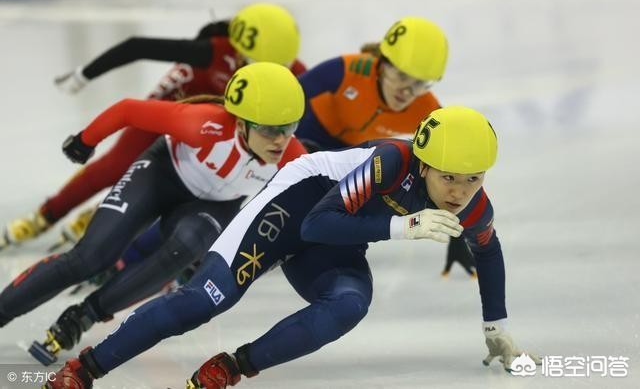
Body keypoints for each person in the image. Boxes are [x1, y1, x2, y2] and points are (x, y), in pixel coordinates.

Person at [44, 106, 540, 389]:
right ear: (425, 166)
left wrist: (495, 326)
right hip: (292, 209)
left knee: (348, 305)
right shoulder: (389, 161)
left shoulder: (474, 206)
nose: (459, 191)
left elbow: (488, 252)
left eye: (472, 180)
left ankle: (231, 367)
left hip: (334, 237)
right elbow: (319, 223)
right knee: (202, 301)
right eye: (449, 178)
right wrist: (401, 228)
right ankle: (84, 369)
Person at [0, 63, 306, 344]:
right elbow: (128, 110)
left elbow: (324, 194)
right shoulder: (203, 124)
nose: (280, 141)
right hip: (161, 176)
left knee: (184, 249)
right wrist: (85, 141)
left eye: (289, 128)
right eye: (269, 130)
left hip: (213, 205)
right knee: (89, 258)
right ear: (241, 123)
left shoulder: (294, 156)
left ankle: (86, 315)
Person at [0, 2, 305, 251]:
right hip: (171, 113)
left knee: (198, 183)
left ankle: (101, 213)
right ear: (239, 50)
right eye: (250, 63)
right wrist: (84, 74)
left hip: (213, 129)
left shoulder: (285, 67)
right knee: (115, 166)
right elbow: (137, 46)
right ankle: (45, 215)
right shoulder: (212, 52)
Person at [295, 15, 475, 277]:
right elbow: (289, 93)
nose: (406, 90)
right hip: (306, 137)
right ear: (382, 63)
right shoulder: (349, 69)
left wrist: (459, 236)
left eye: (419, 83)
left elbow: (457, 169)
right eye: (401, 75)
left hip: (350, 155)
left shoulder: (426, 107)